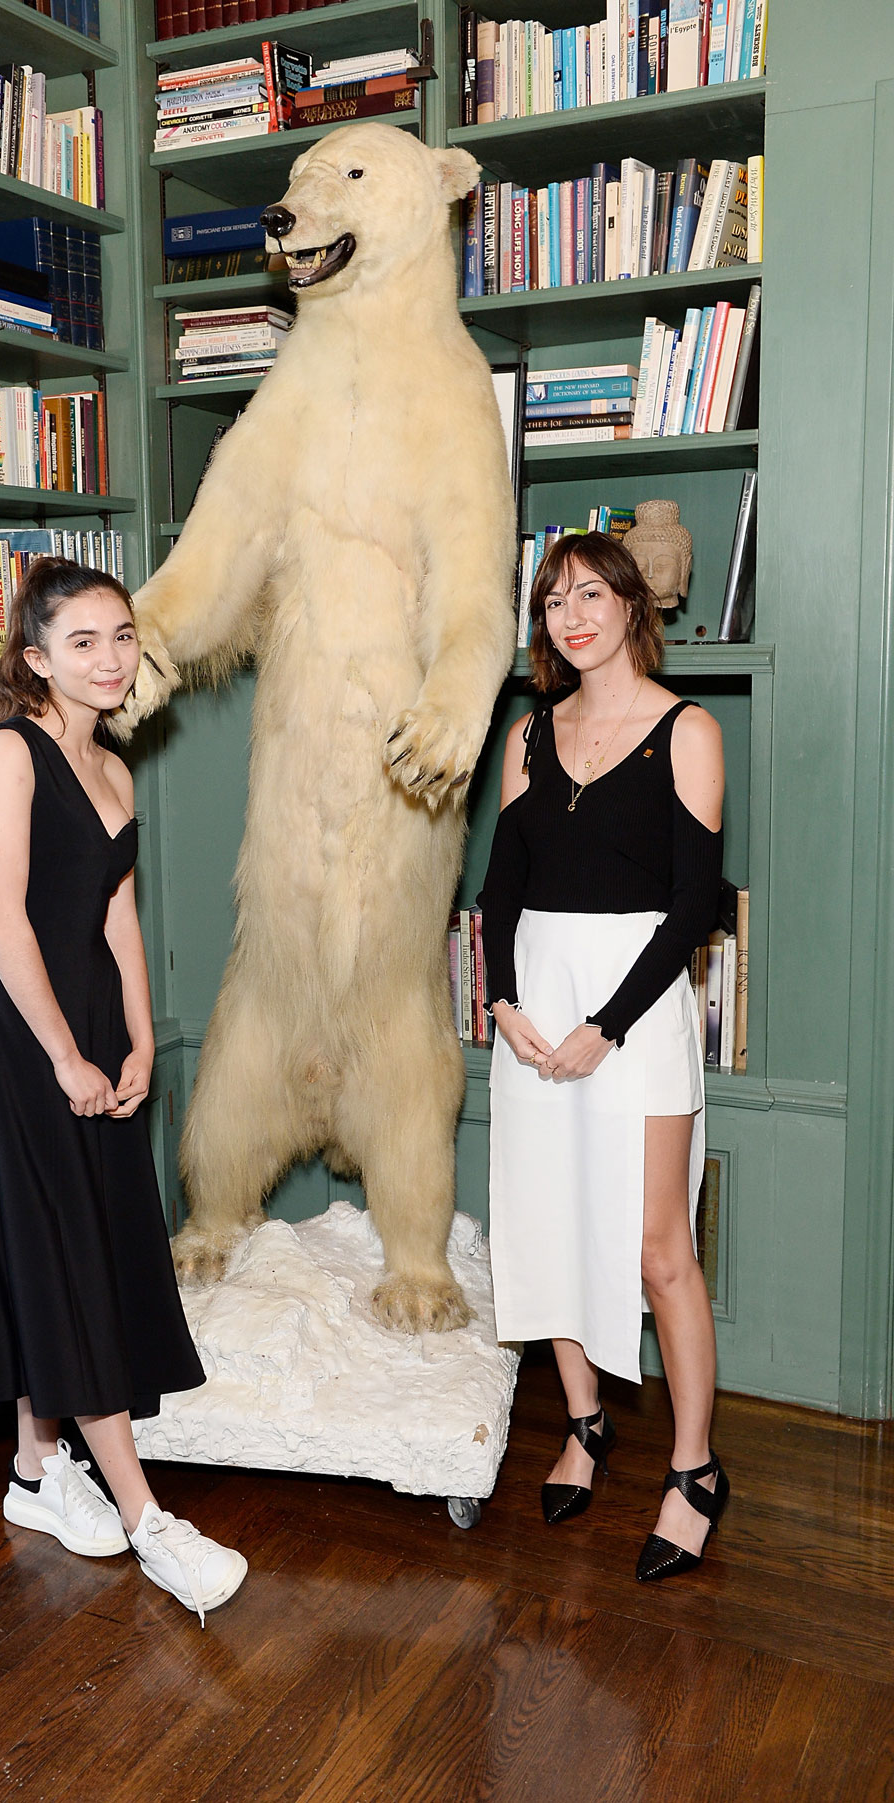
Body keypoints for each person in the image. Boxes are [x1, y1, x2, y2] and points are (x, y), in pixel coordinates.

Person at [0, 558, 246, 1624]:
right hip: (23, 1039)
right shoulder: (8, 756)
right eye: (82, 643)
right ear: (34, 659)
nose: (109, 659)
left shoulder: (112, 766)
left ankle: (32, 1471)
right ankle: (152, 1521)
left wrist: (143, 1038)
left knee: (74, 1246)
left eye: (121, 637)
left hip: (98, 1030)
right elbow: (4, 922)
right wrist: (64, 1053)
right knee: (62, 1256)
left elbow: (116, 917)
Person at [479, 532, 729, 1582]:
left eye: (590, 593)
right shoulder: (528, 738)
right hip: (536, 1010)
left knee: (656, 1248)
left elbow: (693, 909)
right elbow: (497, 889)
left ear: (632, 605)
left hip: (634, 1012)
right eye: (552, 601)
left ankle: (695, 1470)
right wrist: (501, 999)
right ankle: (583, 1422)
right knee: (544, 1225)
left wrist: (607, 1024)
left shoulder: (688, 730)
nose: (571, 614)